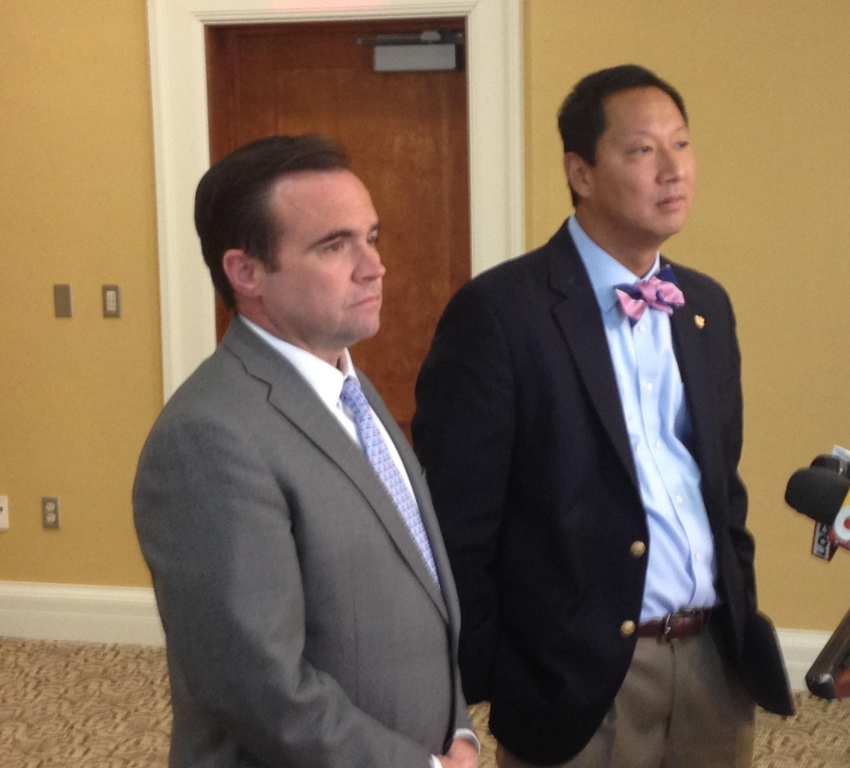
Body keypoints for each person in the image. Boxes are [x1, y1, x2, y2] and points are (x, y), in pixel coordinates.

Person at [412, 65, 793, 768]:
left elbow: (719, 487)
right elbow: (457, 526)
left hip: (712, 659)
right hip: (578, 676)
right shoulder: (501, 314)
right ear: (580, 172)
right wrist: (497, 680)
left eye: (682, 145)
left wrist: (736, 610)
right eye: (643, 150)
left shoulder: (705, 305)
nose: (673, 170)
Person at [133, 135, 478, 768]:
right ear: (247, 272)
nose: (373, 265)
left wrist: (455, 729)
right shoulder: (208, 439)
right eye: (335, 244)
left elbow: (420, 584)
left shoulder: (352, 386)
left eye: (371, 237)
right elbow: (259, 689)